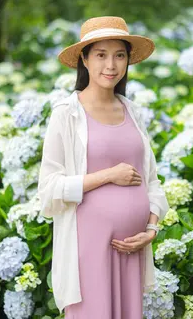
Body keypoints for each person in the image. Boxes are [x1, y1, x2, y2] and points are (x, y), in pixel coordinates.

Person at [37, 16, 170, 318]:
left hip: (131, 252)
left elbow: (152, 181)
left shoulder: (132, 111)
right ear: (83, 59)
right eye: (101, 55)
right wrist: (108, 176)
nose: (111, 65)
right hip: (89, 251)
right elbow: (48, 190)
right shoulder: (66, 114)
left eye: (119, 55)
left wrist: (151, 228)